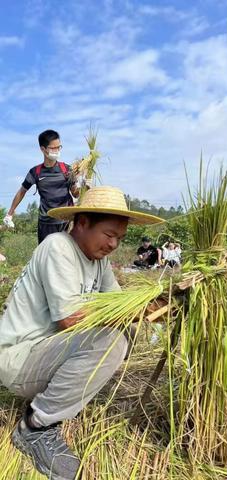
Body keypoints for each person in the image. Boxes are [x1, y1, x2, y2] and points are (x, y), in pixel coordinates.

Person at [0, 186, 163, 480]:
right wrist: (135, 313)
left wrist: (153, 309)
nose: (114, 244)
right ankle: (35, 427)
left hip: (46, 353)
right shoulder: (58, 247)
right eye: (109, 235)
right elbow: (70, 320)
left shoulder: (99, 260)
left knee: (124, 335)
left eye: (120, 239)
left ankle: (51, 404)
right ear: (83, 222)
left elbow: (117, 304)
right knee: (110, 342)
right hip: (20, 357)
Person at [2, 129, 83, 244]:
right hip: (46, 224)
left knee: (66, 256)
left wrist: (82, 184)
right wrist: (9, 214)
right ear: (43, 149)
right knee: (46, 257)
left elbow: (76, 193)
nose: (57, 151)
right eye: (53, 148)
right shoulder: (36, 172)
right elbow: (22, 192)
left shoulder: (67, 169)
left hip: (66, 222)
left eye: (59, 147)